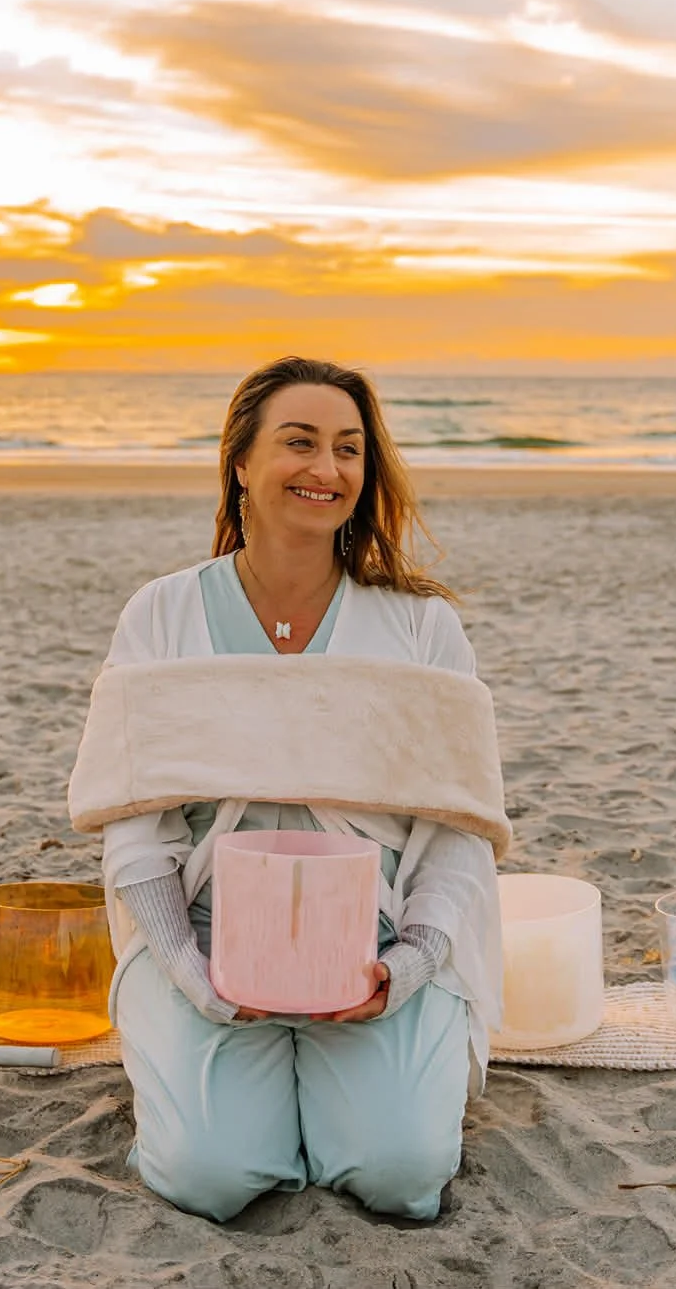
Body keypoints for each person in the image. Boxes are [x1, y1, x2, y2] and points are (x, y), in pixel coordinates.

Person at [75, 356, 507, 1222]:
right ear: (240, 460)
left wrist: (410, 963)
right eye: (299, 443)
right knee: (207, 1174)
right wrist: (192, 974)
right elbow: (131, 818)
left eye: (349, 449)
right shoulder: (161, 614)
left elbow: (463, 824)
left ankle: (348, 1091)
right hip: (206, 937)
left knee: (401, 1173)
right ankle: (231, 1084)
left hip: (378, 938)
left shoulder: (422, 624)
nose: (327, 469)